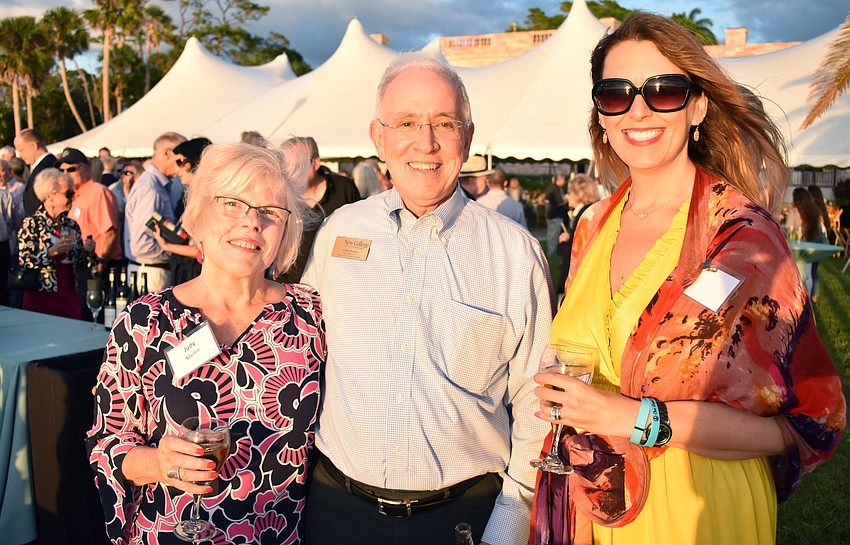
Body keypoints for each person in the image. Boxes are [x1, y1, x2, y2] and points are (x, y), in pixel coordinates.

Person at [531, 13, 845, 545]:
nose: (638, 109)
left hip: (701, 507)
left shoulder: (743, 239)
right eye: (616, 94)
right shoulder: (592, 225)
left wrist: (636, 418)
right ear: (601, 115)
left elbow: (808, 421)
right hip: (600, 501)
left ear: (697, 106)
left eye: (663, 90)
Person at [302, 54, 553, 545]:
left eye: (444, 123)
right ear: (378, 137)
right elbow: (299, 353)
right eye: (406, 123)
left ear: (468, 137)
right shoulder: (339, 232)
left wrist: (510, 521)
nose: (426, 142)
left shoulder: (513, 253)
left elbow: (538, 399)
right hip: (336, 514)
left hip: (463, 520)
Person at [86, 142, 325, 544]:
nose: (251, 222)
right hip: (170, 533)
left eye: (269, 211)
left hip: (276, 535)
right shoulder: (144, 321)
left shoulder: (311, 316)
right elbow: (106, 442)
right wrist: (157, 463)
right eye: (232, 204)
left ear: (287, 230)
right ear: (198, 217)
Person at [276, 135, 360, 283]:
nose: (291, 173)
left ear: (315, 163)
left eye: (297, 166)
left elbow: (360, 235)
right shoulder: (282, 194)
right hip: (292, 285)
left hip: (335, 282)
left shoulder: (343, 188)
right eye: (285, 167)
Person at [17, 168, 95, 319]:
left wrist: (88, 251)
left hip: (69, 294)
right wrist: (51, 252)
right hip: (41, 295)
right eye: (68, 194)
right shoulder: (32, 223)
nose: (73, 198)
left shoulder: (71, 224)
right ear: (50, 197)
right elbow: (25, 261)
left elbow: (81, 264)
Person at [124, 131, 187, 292]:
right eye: (181, 158)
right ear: (167, 153)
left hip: (151, 271)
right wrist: (175, 252)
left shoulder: (156, 185)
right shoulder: (150, 189)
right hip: (151, 273)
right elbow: (141, 244)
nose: (185, 164)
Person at [152, 136, 213, 285]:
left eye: (180, 162)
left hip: (195, 273)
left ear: (197, 161)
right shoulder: (192, 195)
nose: (177, 168)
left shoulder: (208, 199)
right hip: (184, 270)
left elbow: (203, 250)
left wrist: (167, 246)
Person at [56, 147, 121, 277]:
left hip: (99, 265)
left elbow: (109, 234)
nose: (65, 174)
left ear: (85, 168)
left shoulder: (98, 192)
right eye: (62, 170)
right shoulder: (72, 195)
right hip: (80, 264)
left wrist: (97, 270)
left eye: (71, 169)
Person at [554, 173, 599, 299]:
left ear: (580, 194)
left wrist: (563, 243)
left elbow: (576, 251)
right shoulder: (591, 211)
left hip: (578, 280)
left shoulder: (584, 215)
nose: (567, 196)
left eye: (569, 192)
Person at [785, 187, 828, 302]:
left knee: (798, 274)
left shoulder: (794, 212)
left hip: (798, 248)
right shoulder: (814, 212)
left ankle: (799, 299)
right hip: (812, 246)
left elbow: (788, 229)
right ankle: (811, 298)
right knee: (811, 272)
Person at [14, 128, 58, 216]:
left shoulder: (45, 170)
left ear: (33, 146)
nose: (19, 155)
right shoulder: (49, 165)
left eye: (21, 150)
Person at [0, 159, 25, 305]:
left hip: (5, 245)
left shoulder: (11, 192)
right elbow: (15, 221)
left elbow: (16, 221)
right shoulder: (5, 195)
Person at [543, 174, 567, 255]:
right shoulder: (555, 189)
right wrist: (566, 200)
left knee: (551, 234)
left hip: (550, 214)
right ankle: (552, 251)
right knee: (554, 234)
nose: (564, 181)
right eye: (563, 179)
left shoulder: (551, 187)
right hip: (555, 214)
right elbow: (559, 201)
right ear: (559, 180)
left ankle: (551, 250)